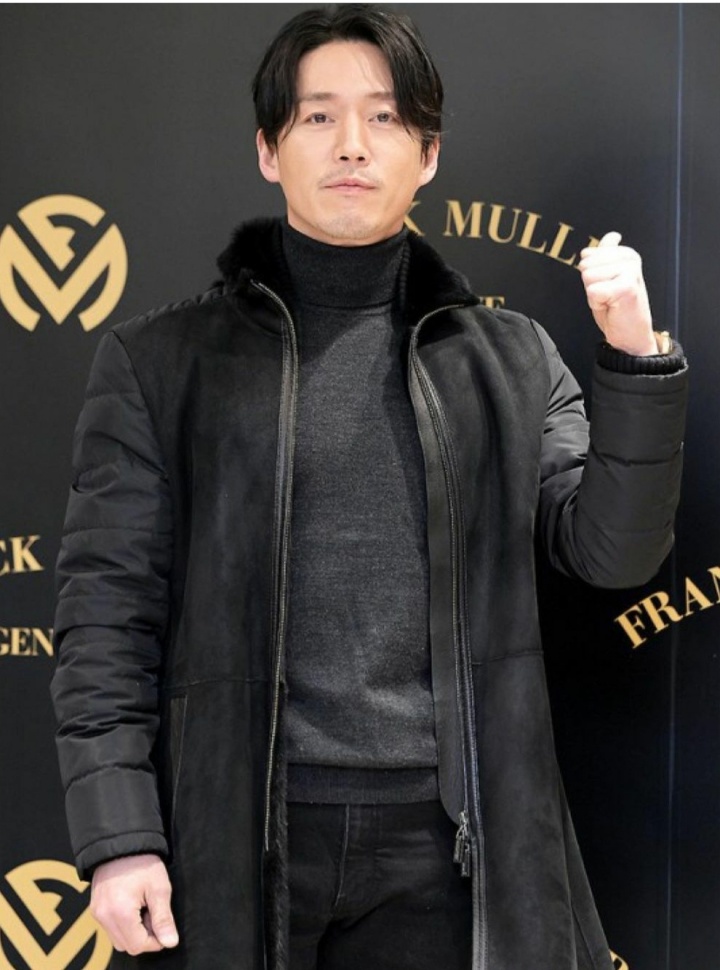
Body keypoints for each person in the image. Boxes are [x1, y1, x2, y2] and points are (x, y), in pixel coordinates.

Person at [51, 6, 688, 970]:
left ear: (427, 154)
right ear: (268, 149)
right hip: (232, 841)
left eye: (385, 117)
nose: (352, 143)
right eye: (317, 116)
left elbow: (615, 553)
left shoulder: (510, 360)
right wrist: (119, 839)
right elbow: (105, 620)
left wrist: (635, 355)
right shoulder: (160, 364)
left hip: (452, 850)